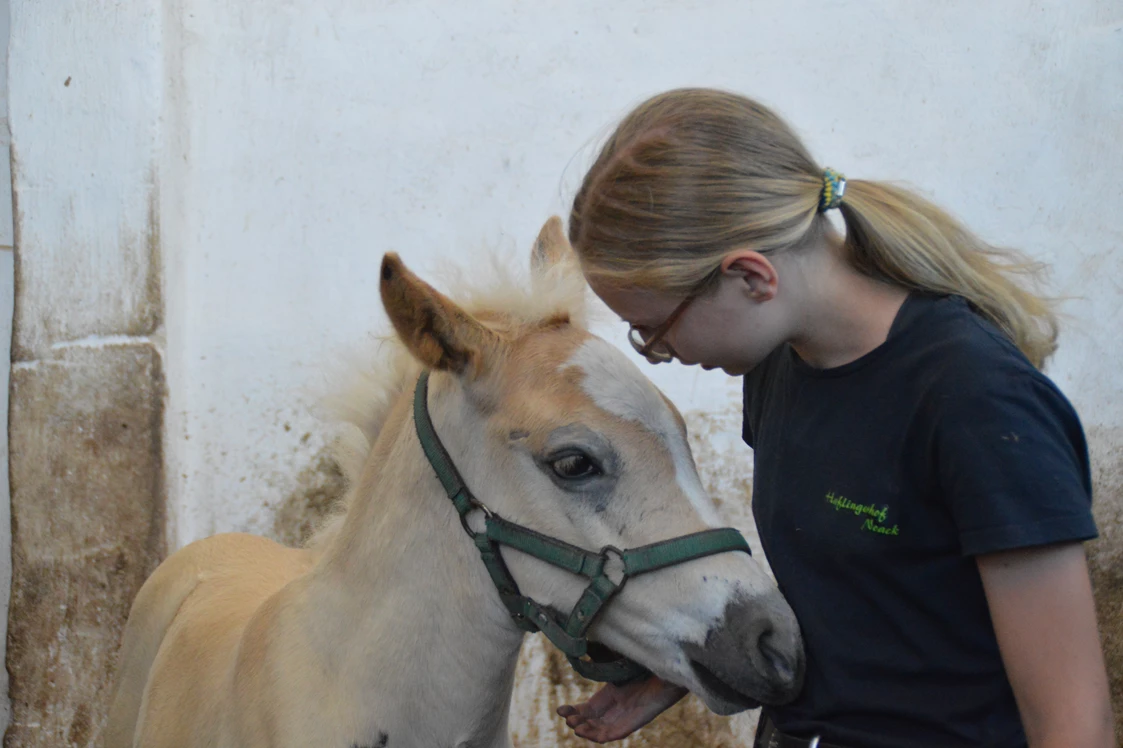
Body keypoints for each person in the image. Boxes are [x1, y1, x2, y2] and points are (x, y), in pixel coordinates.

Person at [555, 88, 1115, 748]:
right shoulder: (778, 366)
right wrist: (676, 671)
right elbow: (857, 582)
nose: (662, 353)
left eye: (653, 330)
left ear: (751, 278)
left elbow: (1073, 721)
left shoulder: (975, 404)